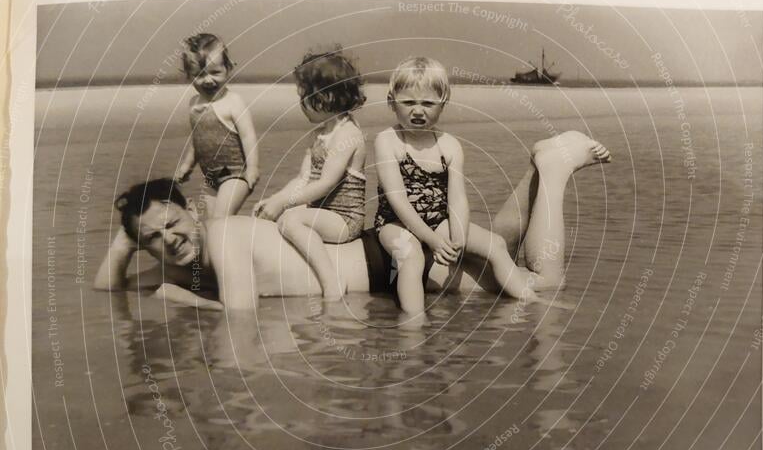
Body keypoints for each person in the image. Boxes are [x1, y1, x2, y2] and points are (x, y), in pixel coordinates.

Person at [95, 131, 610, 312]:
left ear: (189, 209)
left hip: (377, 268)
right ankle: (539, 167)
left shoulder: (223, 239)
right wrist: (125, 242)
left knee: (542, 286)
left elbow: (240, 315)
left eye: (171, 224)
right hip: (376, 262)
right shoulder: (190, 260)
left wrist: (180, 299)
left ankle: (555, 169)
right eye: (155, 240)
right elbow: (108, 292)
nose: (171, 241)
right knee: (499, 248)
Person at [374, 57, 550, 319]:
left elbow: (457, 199)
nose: (418, 110)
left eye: (428, 103)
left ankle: (530, 301)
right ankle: (414, 320)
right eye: (408, 102)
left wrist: (458, 239)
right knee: (411, 257)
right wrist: (432, 241)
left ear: (443, 105)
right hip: (395, 222)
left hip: (439, 219)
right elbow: (398, 200)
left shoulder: (449, 145)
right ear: (391, 102)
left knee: (496, 244)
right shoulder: (388, 141)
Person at [252, 48, 367, 299]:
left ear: (324, 97)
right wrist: (275, 200)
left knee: (292, 220)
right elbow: (303, 179)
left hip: (344, 219)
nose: (301, 104)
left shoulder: (347, 134)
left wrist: (284, 203)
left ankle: (331, 280)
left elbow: (325, 184)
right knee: (283, 215)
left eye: (303, 97)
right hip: (323, 212)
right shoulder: (320, 134)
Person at [174, 33, 259, 218]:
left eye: (215, 72)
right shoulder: (194, 104)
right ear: (189, 76)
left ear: (228, 69)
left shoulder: (233, 102)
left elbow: (248, 136)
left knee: (221, 220)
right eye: (199, 75)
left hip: (235, 174)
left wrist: (253, 168)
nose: (208, 80)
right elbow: (197, 139)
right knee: (211, 226)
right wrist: (187, 165)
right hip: (210, 178)